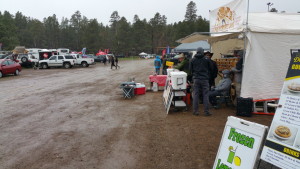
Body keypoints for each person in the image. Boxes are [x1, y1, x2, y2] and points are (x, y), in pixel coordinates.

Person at [190, 47, 213, 116]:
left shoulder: (192, 60)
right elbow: (211, 69)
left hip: (196, 79)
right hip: (205, 79)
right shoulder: (207, 59)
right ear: (203, 52)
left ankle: (195, 111)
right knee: (205, 95)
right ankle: (206, 111)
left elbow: (190, 70)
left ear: (197, 52)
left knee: (196, 95)